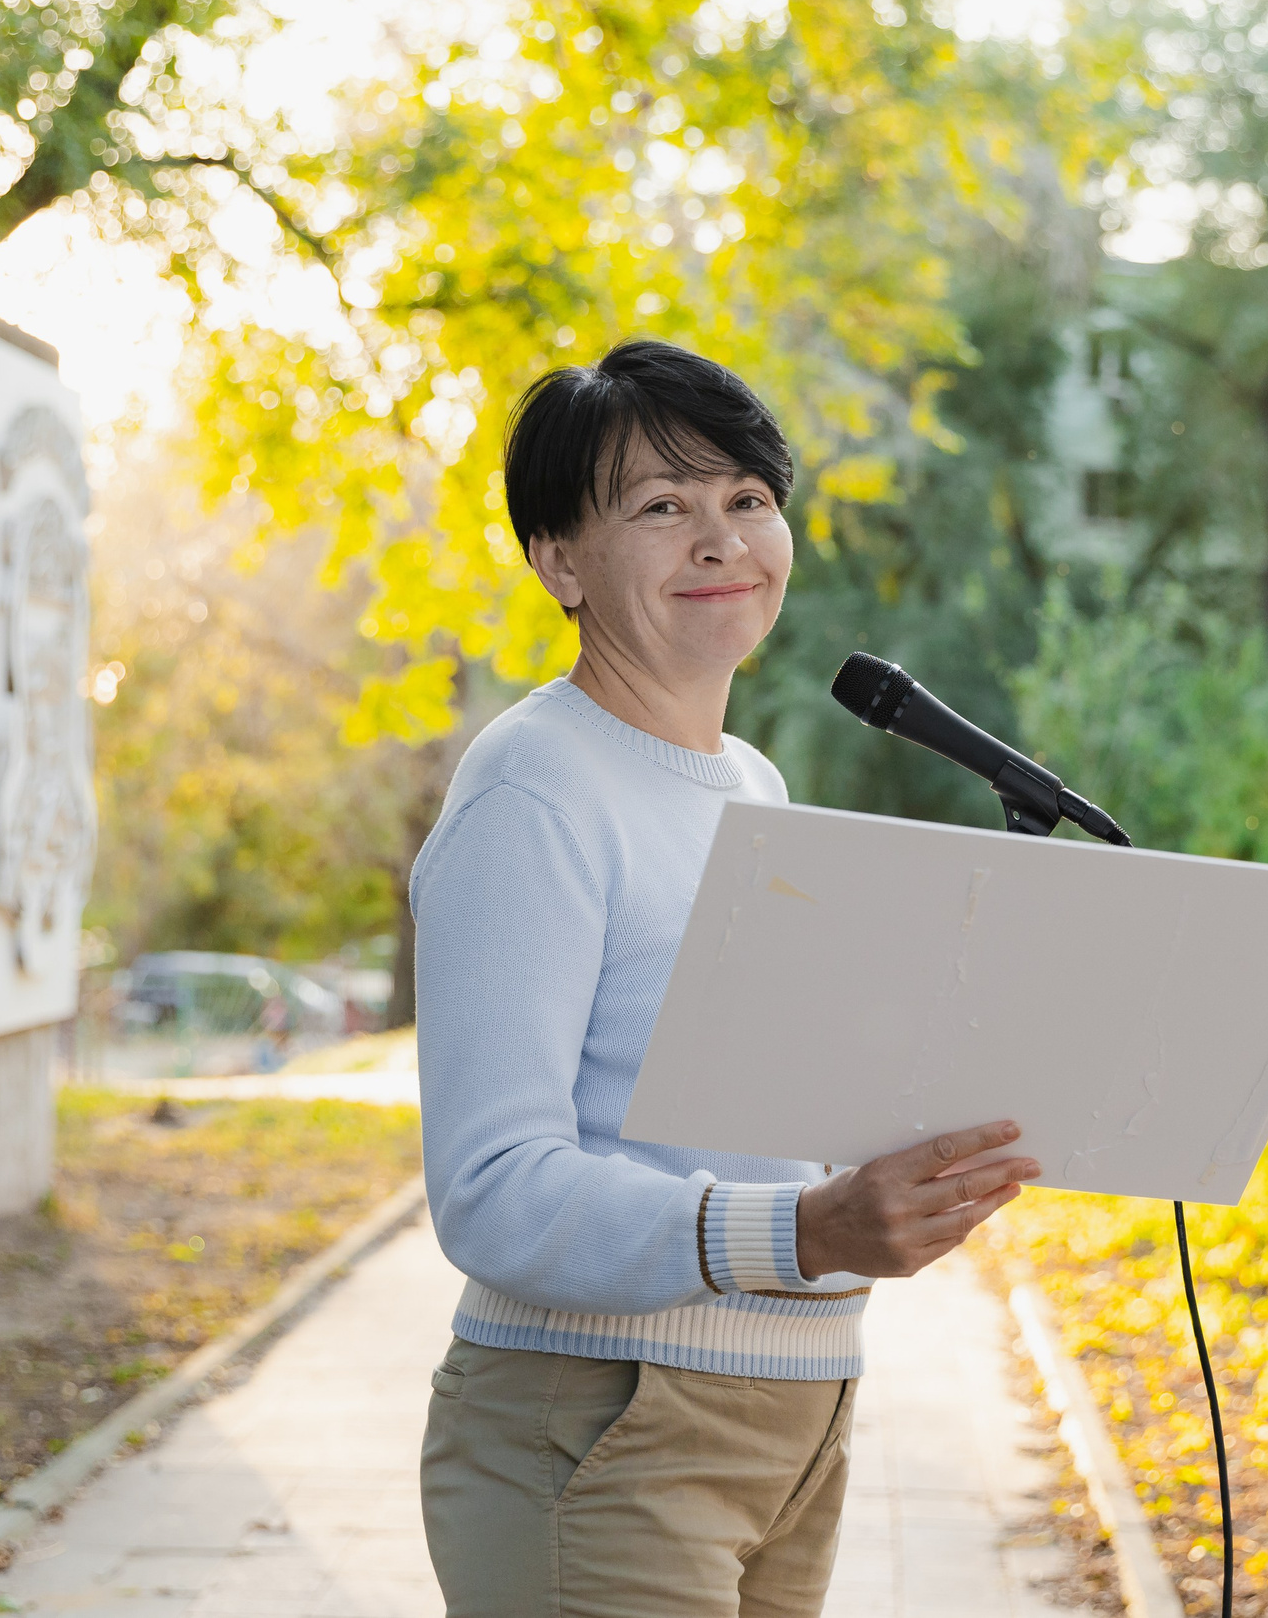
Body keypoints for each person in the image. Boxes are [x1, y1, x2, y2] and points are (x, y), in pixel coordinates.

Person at [411, 339, 1041, 1617]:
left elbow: (742, 1122)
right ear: (559, 560)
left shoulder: (749, 784)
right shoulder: (534, 785)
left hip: (793, 1412)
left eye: (746, 499)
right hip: (604, 1426)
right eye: (660, 506)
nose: (720, 539)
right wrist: (804, 1230)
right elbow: (489, 1192)